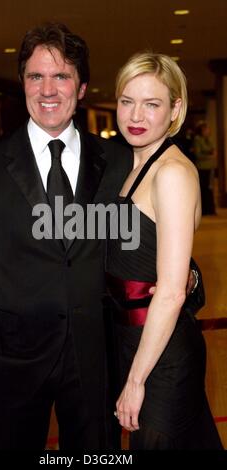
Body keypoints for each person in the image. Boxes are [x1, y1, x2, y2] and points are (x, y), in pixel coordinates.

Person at [0, 23, 133, 450]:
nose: (48, 89)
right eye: (36, 76)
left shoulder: (120, 161)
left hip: (94, 358)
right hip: (9, 360)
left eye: (61, 76)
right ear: (22, 83)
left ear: (82, 87)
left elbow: (143, 245)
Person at [106, 52, 223, 449]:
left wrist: (136, 381)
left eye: (152, 103)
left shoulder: (171, 173)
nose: (135, 115)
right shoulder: (133, 164)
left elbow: (172, 291)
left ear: (175, 109)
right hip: (136, 343)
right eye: (127, 101)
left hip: (162, 354)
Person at [193, 121, 216, 215]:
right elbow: (198, 154)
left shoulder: (208, 139)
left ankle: (210, 210)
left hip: (210, 167)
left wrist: (210, 153)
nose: (207, 130)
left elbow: (213, 149)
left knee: (210, 188)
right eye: (205, 129)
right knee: (203, 189)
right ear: (201, 130)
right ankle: (204, 210)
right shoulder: (197, 139)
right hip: (202, 167)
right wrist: (210, 156)